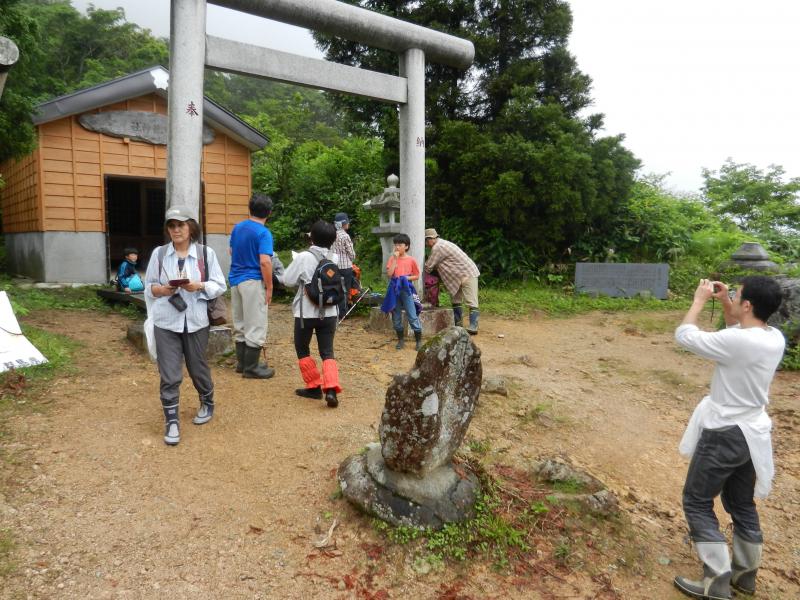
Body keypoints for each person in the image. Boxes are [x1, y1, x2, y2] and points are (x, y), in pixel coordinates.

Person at [673, 276, 785, 600]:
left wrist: (698, 300)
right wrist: (724, 302)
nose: (734, 297)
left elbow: (685, 336)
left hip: (724, 433)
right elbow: (738, 329)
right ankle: (744, 577)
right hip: (753, 434)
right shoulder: (772, 337)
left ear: (748, 305)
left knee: (696, 500)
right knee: (740, 503)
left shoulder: (738, 343)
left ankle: (716, 580)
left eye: (737, 295)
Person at [144, 205, 227, 446]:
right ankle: (172, 421)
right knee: (169, 374)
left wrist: (198, 285)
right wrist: (162, 289)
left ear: (191, 227)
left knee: (197, 367)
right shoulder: (159, 255)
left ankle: (207, 401)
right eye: (171, 225)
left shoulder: (205, 254)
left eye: (180, 224)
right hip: (165, 322)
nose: (176, 229)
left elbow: (219, 285)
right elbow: (148, 286)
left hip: (196, 321)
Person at [277, 220, 342, 408]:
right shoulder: (334, 258)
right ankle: (331, 389)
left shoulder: (303, 257)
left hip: (306, 312)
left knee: (302, 347)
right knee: (327, 351)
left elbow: (288, 281)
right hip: (330, 312)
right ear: (332, 240)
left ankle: (313, 386)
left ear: (311, 237)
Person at [229, 193, 276, 379]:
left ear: (250, 208)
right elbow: (265, 262)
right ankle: (252, 368)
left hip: (235, 279)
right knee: (256, 324)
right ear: (269, 213)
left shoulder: (238, 228)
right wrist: (270, 286)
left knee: (240, 323)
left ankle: (242, 364)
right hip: (253, 280)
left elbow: (231, 250)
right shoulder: (263, 233)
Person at [423, 228, 481, 334]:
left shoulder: (438, 247)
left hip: (467, 273)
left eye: (426, 241)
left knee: (471, 301)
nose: (426, 244)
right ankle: (458, 326)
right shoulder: (442, 244)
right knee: (456, 300)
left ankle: (473, 326)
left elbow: (428, 266)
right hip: (456, 277)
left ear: (430, 239)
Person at [382, 233, 423, 350]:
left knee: (412, 315)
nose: (397, 247)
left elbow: (416, 275)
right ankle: (400, 340)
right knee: (396, 315)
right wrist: (395, 258)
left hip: (406, 289)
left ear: (406, 246)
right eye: (395, 245)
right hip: (394, 289)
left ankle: (419, 341)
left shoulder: (411, 260)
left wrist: (406, 278)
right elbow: (390, 274)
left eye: (399, 245)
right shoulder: (392, 258)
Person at [331, 212, 355, 318]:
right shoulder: (345, 236)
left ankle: (335, 311)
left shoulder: (332, 234)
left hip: (335, 266)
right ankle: (343, 312)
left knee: (337, 288)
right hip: (346, 267)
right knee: (345, 289)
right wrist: (353, 258)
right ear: (344, 223)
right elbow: (351, 253)